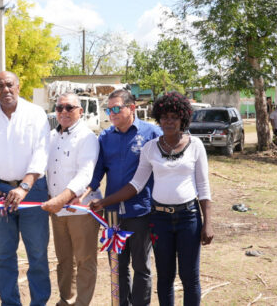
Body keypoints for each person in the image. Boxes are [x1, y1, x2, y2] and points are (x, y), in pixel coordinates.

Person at [91, 91, 214, 306]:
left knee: (189, 276)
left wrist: (208, 223)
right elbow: (135, 185)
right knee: (164, 277)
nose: (169, 121)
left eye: (174, 117)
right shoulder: (150, 148)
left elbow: (203, 188)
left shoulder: (195, 146)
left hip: (188, 218)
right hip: (160, 219)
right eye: (164, 117)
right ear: (159, 118)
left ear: (182, 119)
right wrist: (104, 202)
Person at [0, 71, 51, 306]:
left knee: (37, 253)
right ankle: (10, 302)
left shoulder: (36, 114)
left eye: (9, 85)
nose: (5, 90)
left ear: (18, 86)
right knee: (4, 254)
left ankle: (39, 302)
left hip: (33, 191)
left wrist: (24, 187)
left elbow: (42, 153)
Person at [85, 89, 162, 305]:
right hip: (112, 215)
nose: (112, 113)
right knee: (117, 266)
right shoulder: (106, 137)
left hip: (140, 212)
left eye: (117, 108)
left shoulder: (151, 133)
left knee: (141, 266)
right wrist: (80, 195)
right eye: (109, 109)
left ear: (132, 108)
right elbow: (98, 172)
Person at [41, 92, 101, 306]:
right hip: (58, 212)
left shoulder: (87, 137)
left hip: (80, 209)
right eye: (59, 108)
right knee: (64, 260)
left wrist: (62, 198)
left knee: (85, 260)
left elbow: (85, 173)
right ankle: (66, 300)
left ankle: (82, 303)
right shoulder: (51, 136)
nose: (63, 112)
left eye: (69, 107)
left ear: (80, 111)